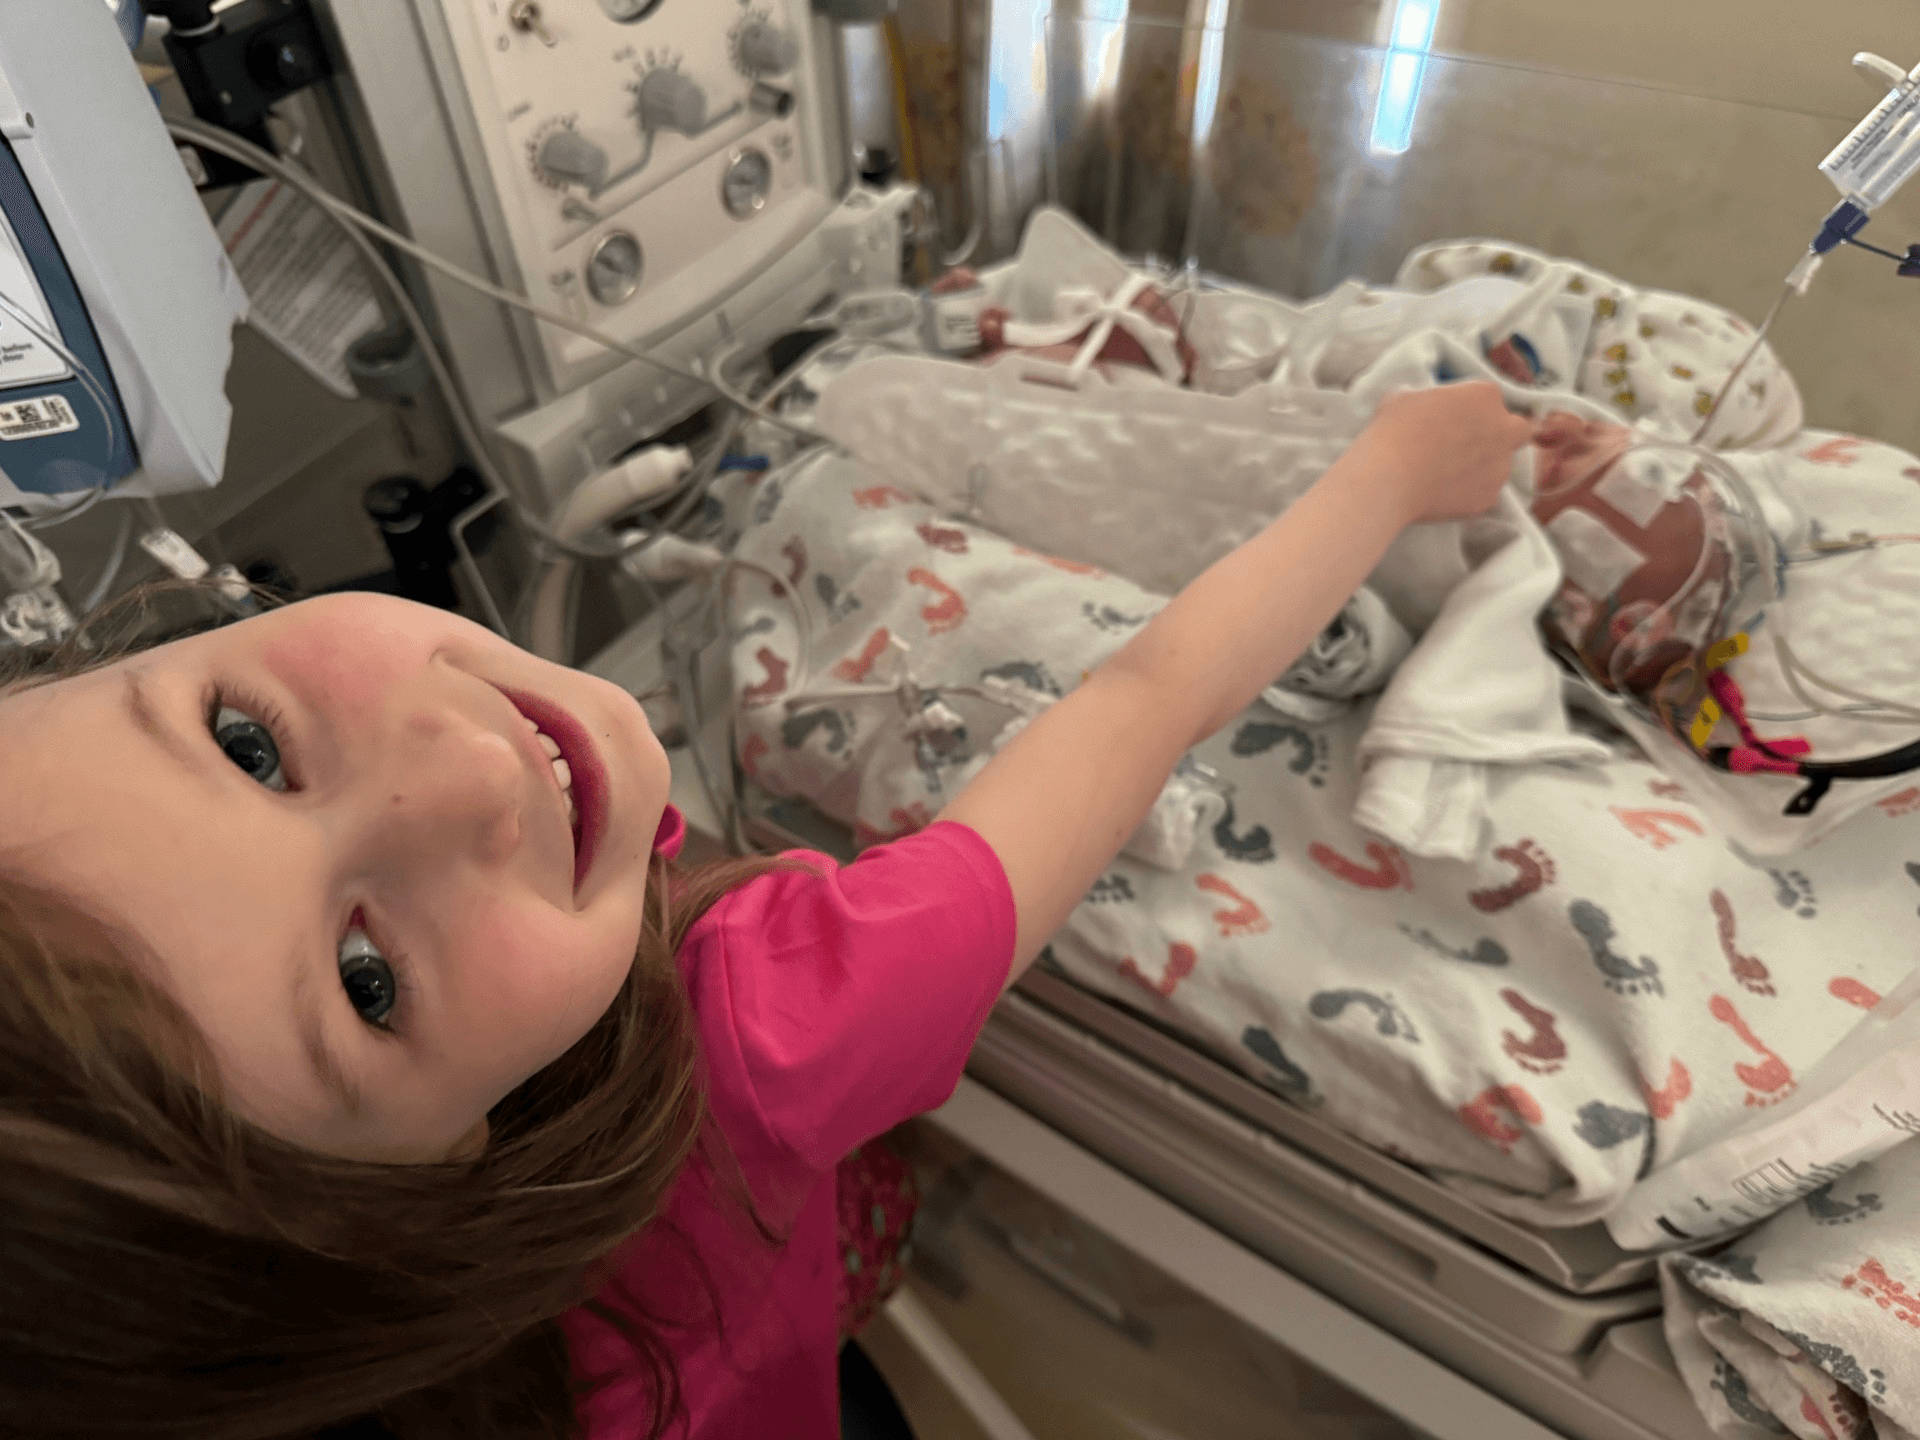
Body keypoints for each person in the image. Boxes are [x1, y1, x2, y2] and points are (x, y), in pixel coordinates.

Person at [0, 382, 1531, 1439]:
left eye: (245, 743)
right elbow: (1145, 701)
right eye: (365, 977)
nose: (469, 774)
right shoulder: (759, 1033)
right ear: (423, 1202)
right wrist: (1393, 472)